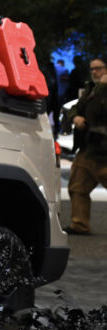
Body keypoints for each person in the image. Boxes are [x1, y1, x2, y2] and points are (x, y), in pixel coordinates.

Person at [65, 56, 107, 234]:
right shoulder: (91, 88)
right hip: (88, 147)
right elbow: (76, 107)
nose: (94, 72)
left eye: (98, 68)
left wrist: (102, 87)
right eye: (92, 69)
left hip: (103, 150)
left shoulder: (100, 89)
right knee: (77, 187)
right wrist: (75, 117)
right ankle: (79, 224)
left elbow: (97, 109)